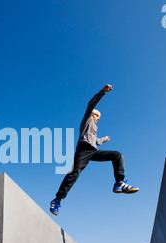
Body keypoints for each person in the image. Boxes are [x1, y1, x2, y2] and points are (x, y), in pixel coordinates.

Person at [50, 84, 139, 216]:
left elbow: (96, 141)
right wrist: (102, 92)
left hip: (93, 151)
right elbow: (90, 104)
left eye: (98, 118)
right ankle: (57, 199)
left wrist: (104, 139)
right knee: (74, 173)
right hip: (83, 150)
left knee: (117, 155)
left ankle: (119, 182)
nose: (97, 119)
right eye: (96, 116)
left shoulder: (95, 129)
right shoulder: (87, 119)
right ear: (93, 115)